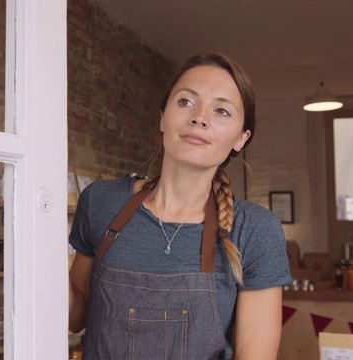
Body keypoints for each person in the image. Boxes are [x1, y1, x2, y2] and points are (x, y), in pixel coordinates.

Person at [68, 51, 292, 360]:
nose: (200, 117)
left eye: (222, 111)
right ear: (163, 116)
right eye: (186, 101)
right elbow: (75, 316)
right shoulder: (101, 201)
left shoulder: (255, 230)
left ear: (242, 138)